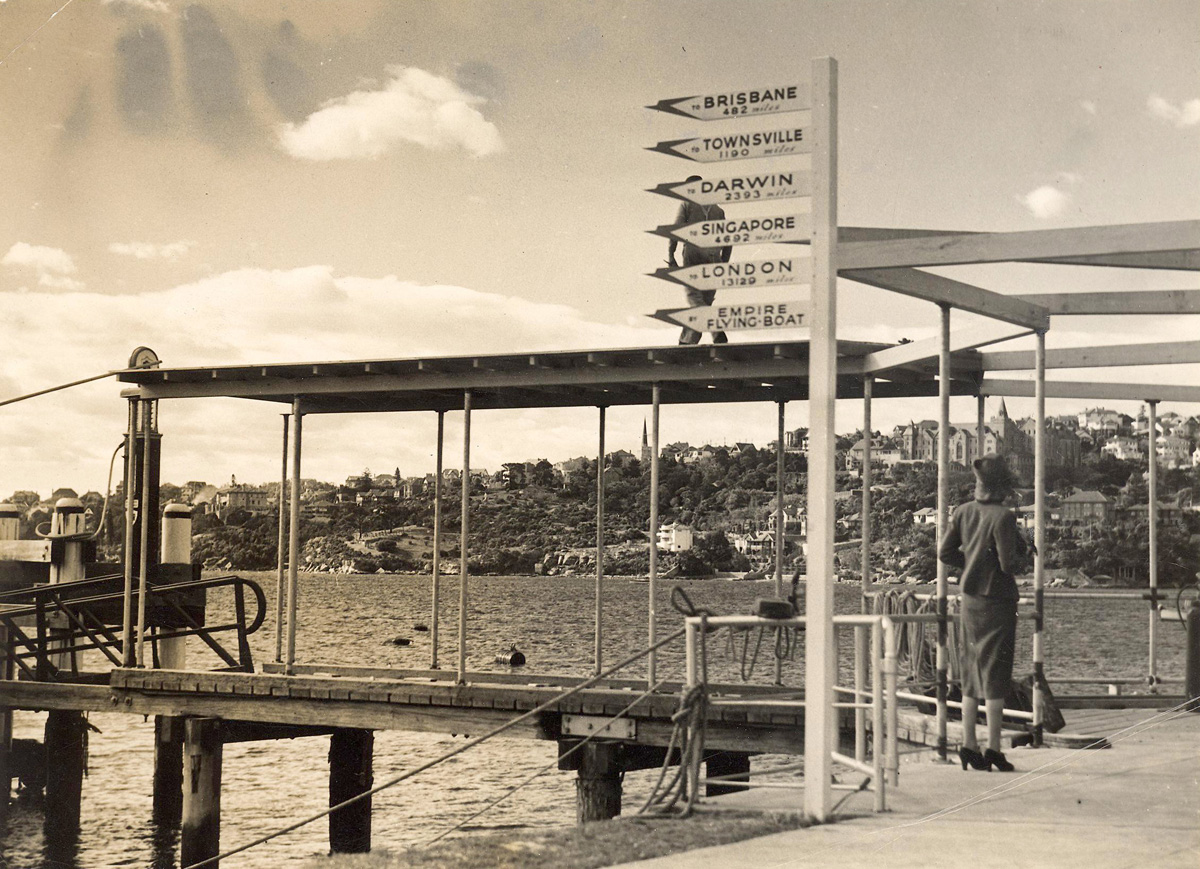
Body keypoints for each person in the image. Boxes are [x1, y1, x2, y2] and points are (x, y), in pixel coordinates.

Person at [937, 455, 1029, 773]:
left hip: (970, 601)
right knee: (996, 676)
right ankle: (993, 748)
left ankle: (968, 746)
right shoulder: (1003, 517)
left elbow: (945, 552)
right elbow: (1007, 564)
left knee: (970, 673)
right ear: (1002, 488)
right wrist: (1023, 554)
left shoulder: (962, 512)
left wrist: (972, 565)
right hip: (998, 601)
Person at [667, 176, 733, 345]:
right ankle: (687, 342)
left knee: (694, 297)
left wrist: (671, 256)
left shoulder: (686, 204)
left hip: (693, 253)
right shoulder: (718, 210)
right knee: (705, 300)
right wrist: (724, 263)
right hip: (714, 256)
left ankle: (717, 331)